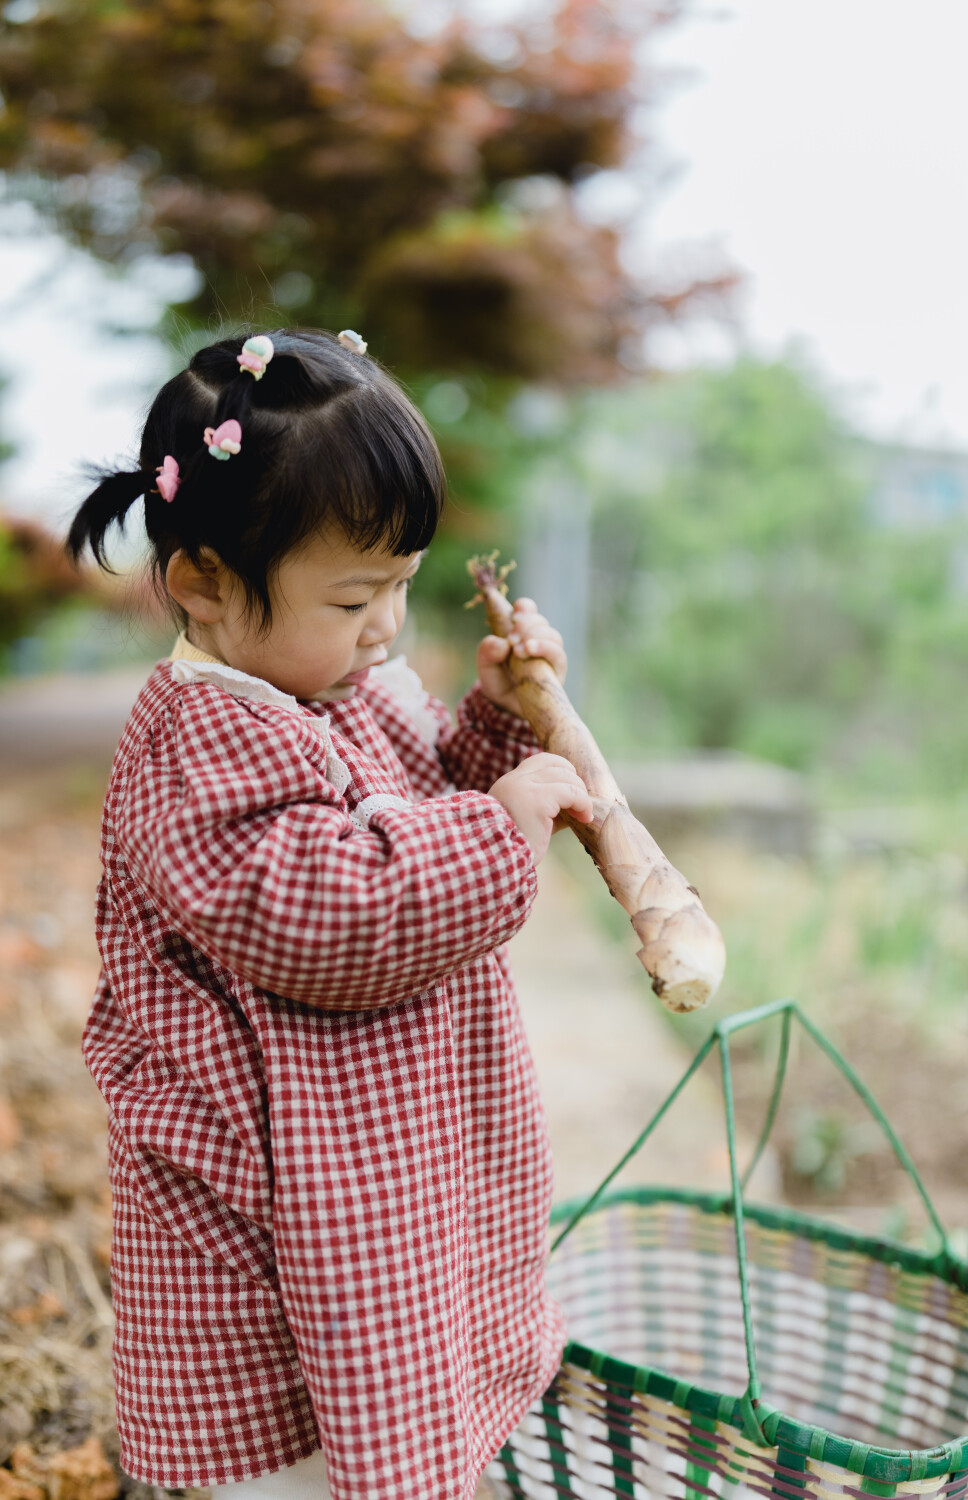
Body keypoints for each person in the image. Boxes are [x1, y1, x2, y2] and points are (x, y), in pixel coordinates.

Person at [66, 327, 593, 1500]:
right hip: (266, 1225)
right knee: (294, 1464)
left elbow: (409, 799)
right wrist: (500, 831)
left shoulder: (322, 683)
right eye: (355, 596)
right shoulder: (200, 744)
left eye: (401, 588)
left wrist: (497, 726)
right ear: (202, 581)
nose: (385, 629)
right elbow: (337, 911)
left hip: (371, 1186)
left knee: (393, 1409)